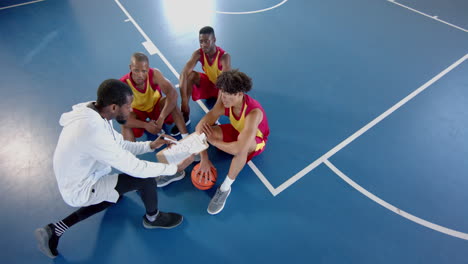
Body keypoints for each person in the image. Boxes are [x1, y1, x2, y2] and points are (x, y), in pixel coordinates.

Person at [34, 79, 194, 259]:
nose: (131, 109)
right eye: (128, 106)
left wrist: (151, 145)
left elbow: (119, 144)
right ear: (113, 107)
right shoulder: (93, 132)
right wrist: (174, 168)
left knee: (114, 196)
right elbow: (136, 168)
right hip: (81, 186)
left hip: (76, 175)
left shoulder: (95, 111)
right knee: (145, 180)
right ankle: (153, 218)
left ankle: (54, 231)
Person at [195, 70, 269, 215]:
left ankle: (225, 188)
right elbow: (200, 128)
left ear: (240, 94)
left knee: (242, 150)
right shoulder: (223, 100)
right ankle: (189, 159)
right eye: (223, 93)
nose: (224, 98)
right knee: (205, 131)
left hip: (255, 140)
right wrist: (204, 158)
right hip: (237, 131)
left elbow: (238, 148)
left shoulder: (253, 113)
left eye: (229, 94)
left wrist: (214, 141)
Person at [170, 26, 231, 136]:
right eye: (201, 41)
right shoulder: (198, 53)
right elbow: (184, 73)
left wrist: (217, 108)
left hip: (223, 89)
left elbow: (225, 82)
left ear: (214, 40)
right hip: (210, 85)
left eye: (206, 41)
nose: (203, 45)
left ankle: (213, 119)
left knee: (231, 103)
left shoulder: (224, 57)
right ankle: (185, 116)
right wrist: (184, 103)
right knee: (190, 76)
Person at [120, 52, 189, 140]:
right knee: (125, 123)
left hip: (156, 107)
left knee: (172, 102)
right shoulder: (123, 84)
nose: (140, 75)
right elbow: (122, 118)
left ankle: (186, 138)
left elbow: (173, 94)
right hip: (139, 113)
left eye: (144, 71)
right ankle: (128, 152)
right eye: (136, 70)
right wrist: (145, 125)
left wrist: (161, 117)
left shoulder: (155, 74)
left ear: (148, 69)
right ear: (130, 68)